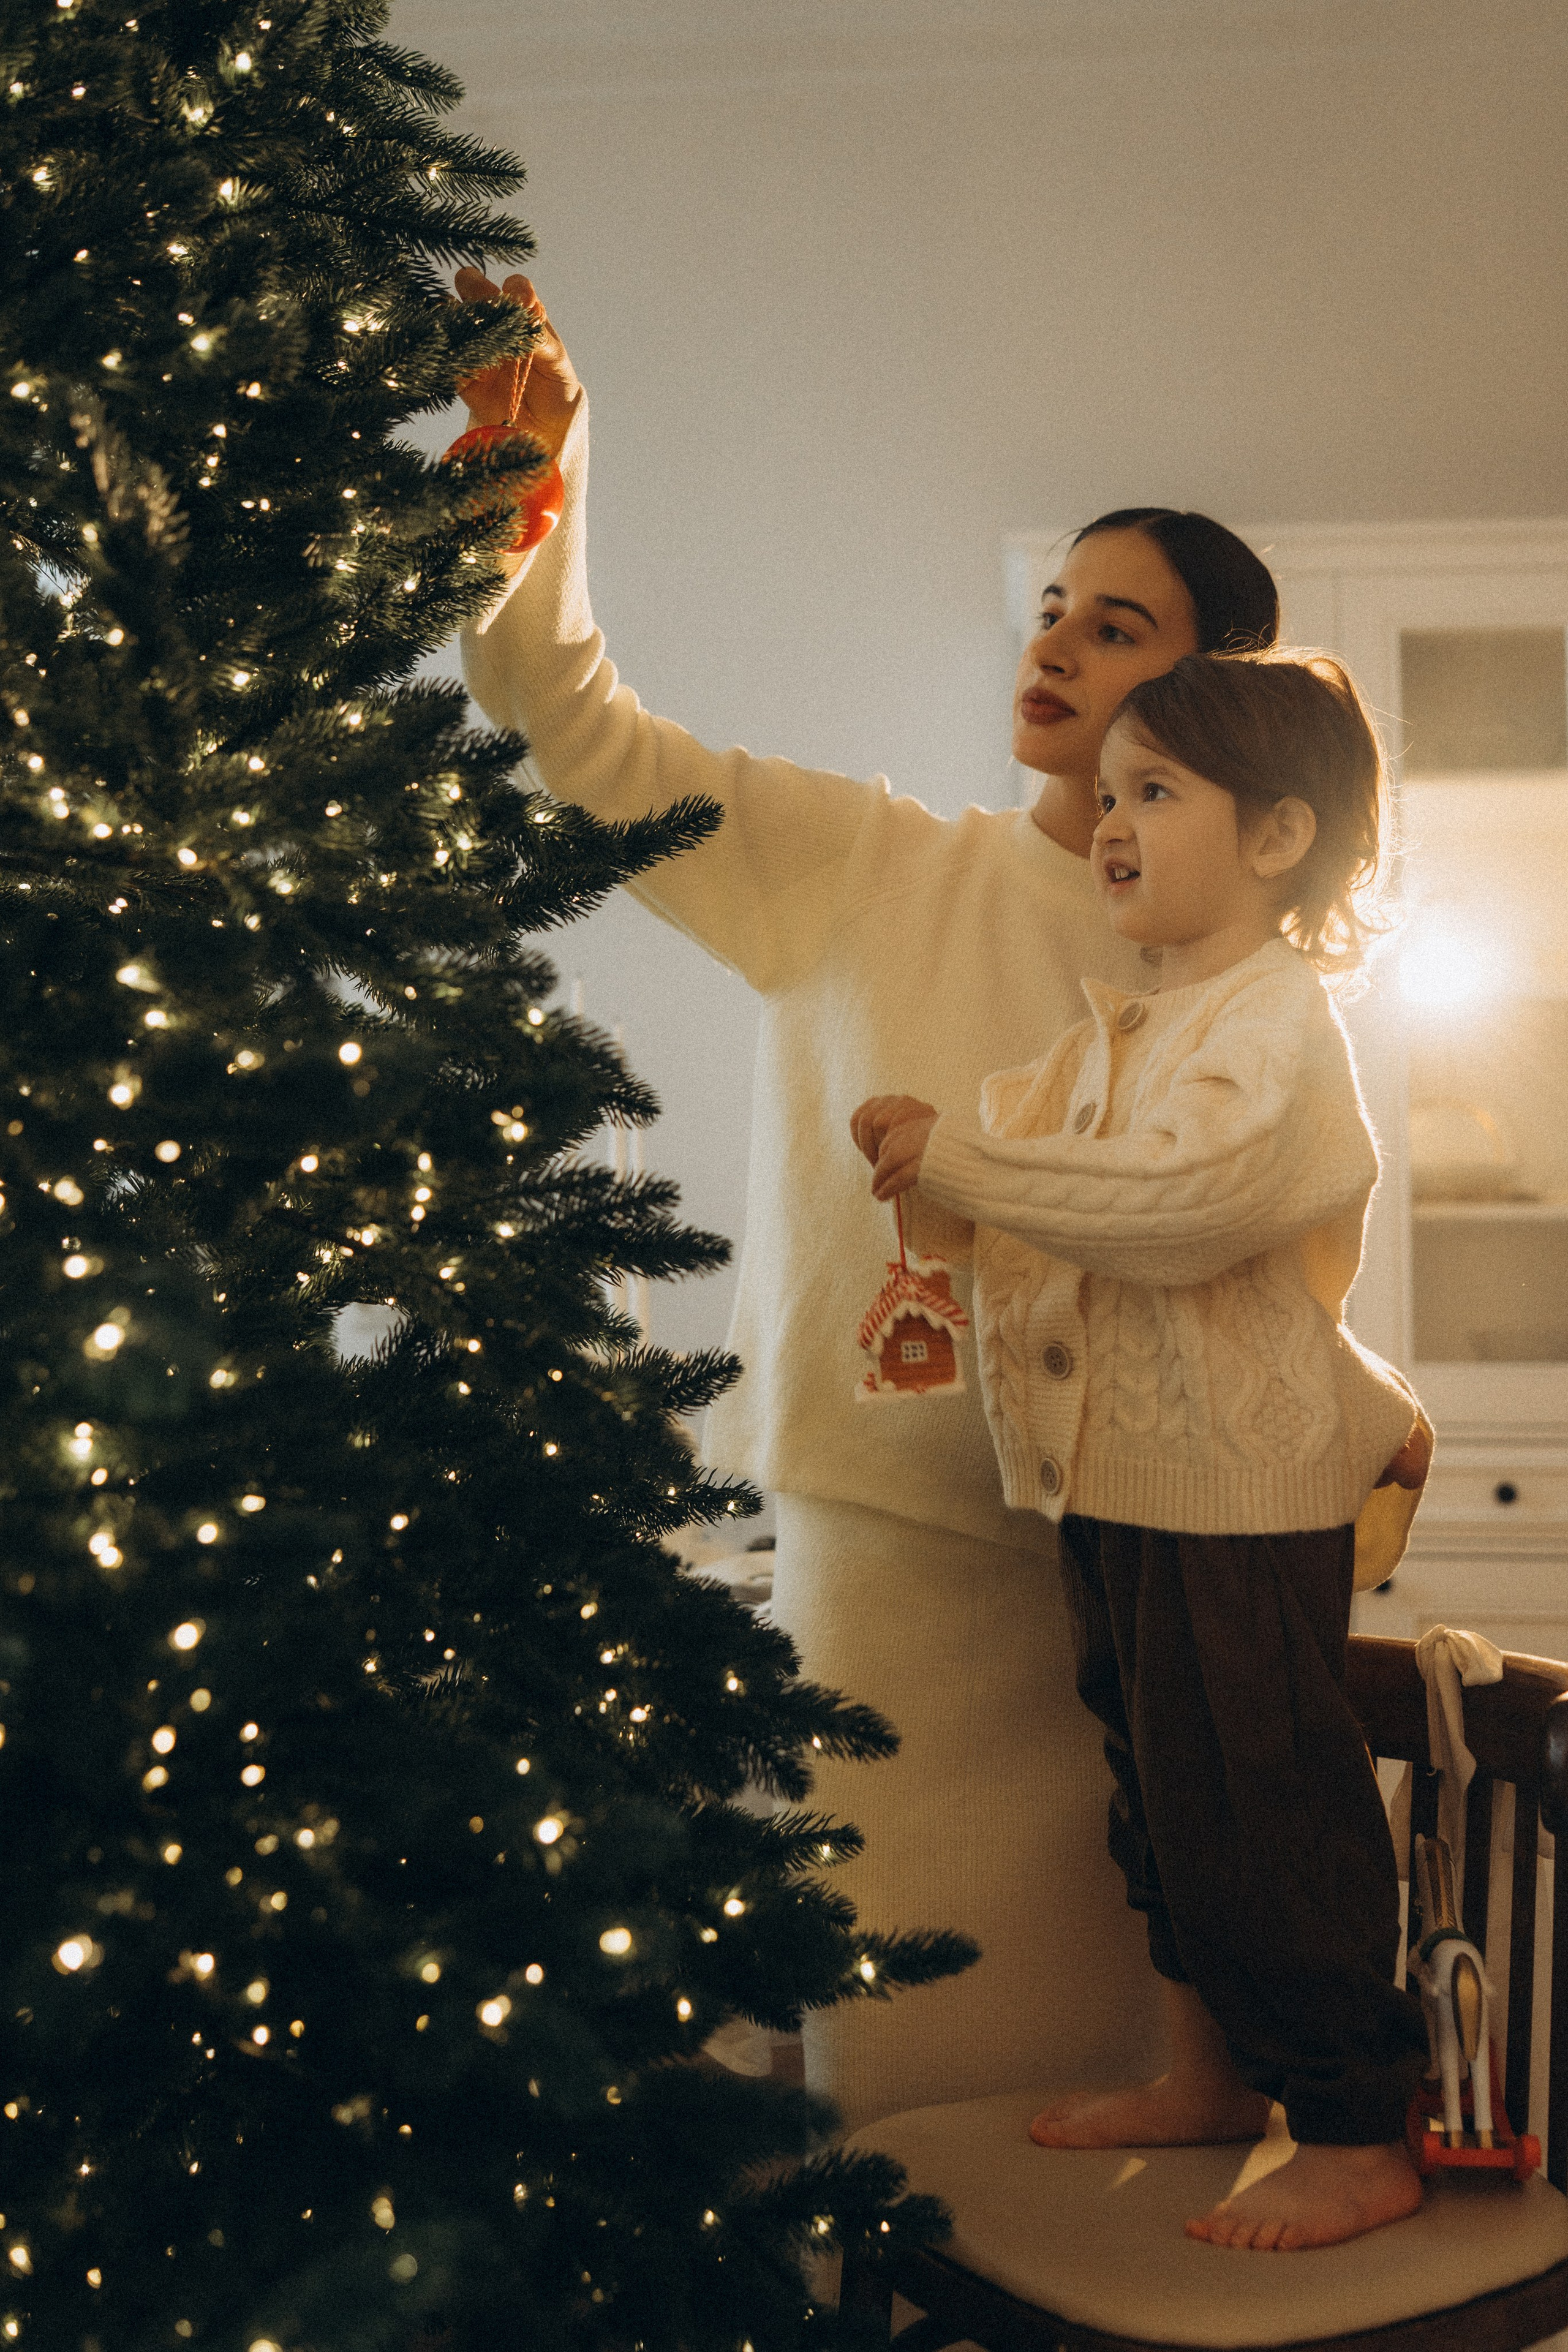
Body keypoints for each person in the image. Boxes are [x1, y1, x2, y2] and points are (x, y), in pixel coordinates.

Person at [450, 267, 1409, 2135]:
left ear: (1210, 691)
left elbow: (1233, 1224)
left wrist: (1372, 1392)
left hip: (1145, 1566)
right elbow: (575, 730)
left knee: (1148, 2073)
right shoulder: (865, 864)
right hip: (888, 1561)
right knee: (911, 2111)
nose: (1050, 644)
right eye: (1051, 607)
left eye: (1114, 625)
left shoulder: (1232, 972)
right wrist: (524, 498)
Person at [850, 649, 1432, 2250]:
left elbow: (1180, 1212)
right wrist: (936, 1168)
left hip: (1242, 1504)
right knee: (1164, 1800)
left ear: (1276, 839)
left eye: (1155, 792)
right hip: (1111, 1488)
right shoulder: (1124, 1032)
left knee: (1268, 1806)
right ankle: (1211, 2075)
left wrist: (974, 1159)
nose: (1109, 822)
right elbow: (1030, 1213)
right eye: (1106, 793)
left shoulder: (1277, 1030)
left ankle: (1357, 2123)